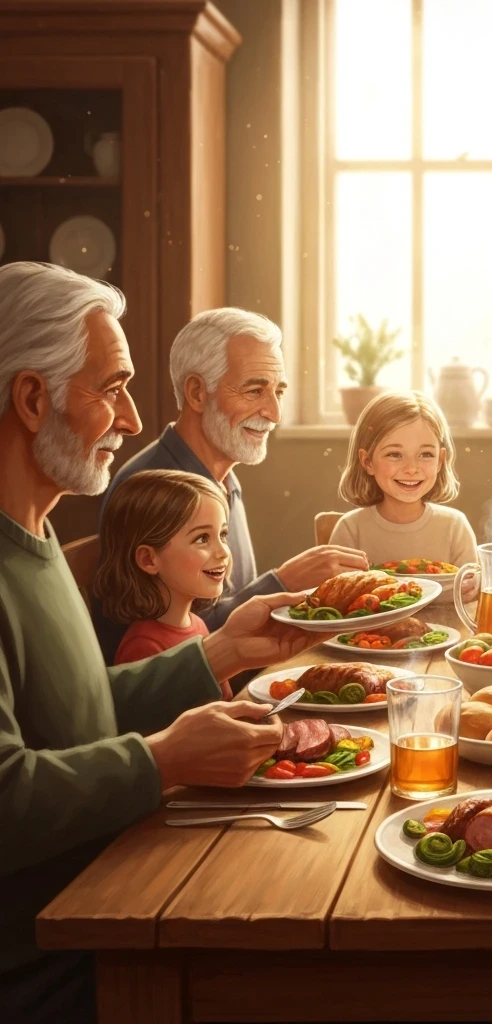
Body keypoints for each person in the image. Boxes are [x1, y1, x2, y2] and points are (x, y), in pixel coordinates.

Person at [0, 262, 323, 1024]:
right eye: (111, 388)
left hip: (105, 887)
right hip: (55, 953)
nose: (132, 420)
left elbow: (73, 708)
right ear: (33, 398)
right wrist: (162, 758)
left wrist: (219, 653)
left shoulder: (35, 537)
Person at [95, 307, 367, 661]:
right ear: (196, 392)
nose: (274, 413)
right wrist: (283, 581)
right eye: (254, 391)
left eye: (278, 392)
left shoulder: (223, 475)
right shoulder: (151, 487)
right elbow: (176, 647)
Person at [94, 470, 233, 685]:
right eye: (202, 538)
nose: (223, 552)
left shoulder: (196, 625)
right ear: (149, 559)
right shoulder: (144, 647)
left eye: (222, 535)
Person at [329, 391, 477, 569]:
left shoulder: (455, 527)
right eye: (394, 454)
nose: (411, 469)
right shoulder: (351, 530)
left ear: (440, 460)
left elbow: (470, 592)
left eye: (425, 454)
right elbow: (336, 593)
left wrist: (472, 586)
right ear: (367, 461)